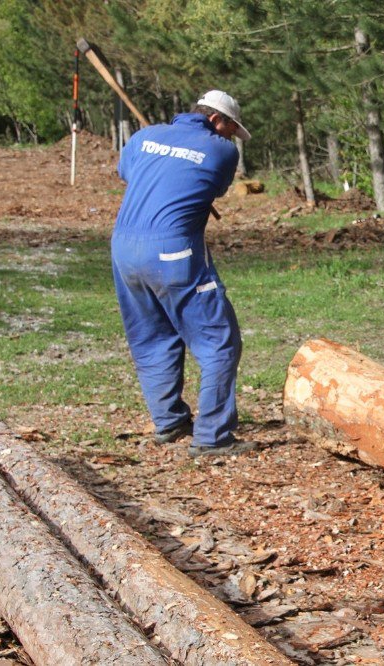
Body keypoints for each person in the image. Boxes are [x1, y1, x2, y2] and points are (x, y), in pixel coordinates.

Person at [111, 90, 255, 458]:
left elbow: (127, 173)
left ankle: (169, 420)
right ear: (216, 120)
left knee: (152, 337)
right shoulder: (223, 151)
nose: (229, 138)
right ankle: (212, 437)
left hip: (124, 247)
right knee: (220, 341)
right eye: (230, 130)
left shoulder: (144, 137)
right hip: (173, 249)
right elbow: (213, 186)